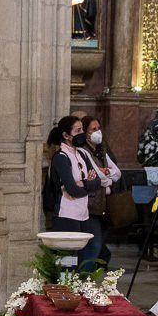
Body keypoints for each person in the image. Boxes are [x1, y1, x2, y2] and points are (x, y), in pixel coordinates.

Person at [45, 115, 110, 272]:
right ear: (66, 136)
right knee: (66, 262)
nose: (82, 134)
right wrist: (86, 183)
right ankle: (63, 293)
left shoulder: (81, 154)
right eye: (78, 130)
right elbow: (72, 189)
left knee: (82, 259)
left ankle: (78, 292)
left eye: (82, 129)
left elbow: (97, 182)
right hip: (66, 214)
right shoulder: (61, 157)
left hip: (83, 213)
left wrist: (84, 183)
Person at [80, 116, 122, 267]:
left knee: (98, 245)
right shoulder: (83, 151)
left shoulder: (101, 150)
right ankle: (84, 280)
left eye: (98, 128)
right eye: (93, 129)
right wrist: (106, 178)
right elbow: (98, 177)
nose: (98, 132)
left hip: (103, 206)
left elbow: (117, 173)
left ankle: (88, 280)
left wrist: (106, 176)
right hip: (90, 204)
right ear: (85, 132)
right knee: (93, 246)